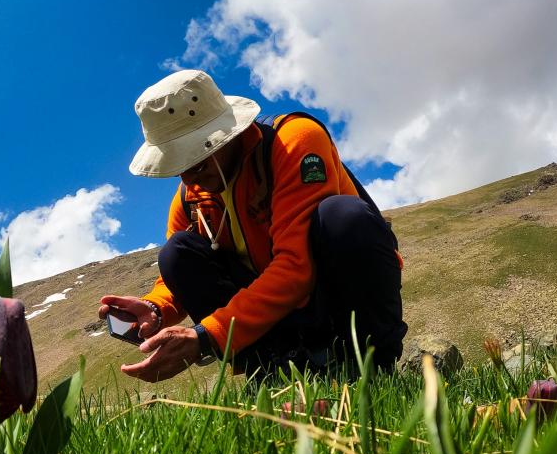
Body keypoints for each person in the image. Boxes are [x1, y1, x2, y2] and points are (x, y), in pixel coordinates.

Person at [98, 69, 407, 382]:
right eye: (178, 168)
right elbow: (175, 278)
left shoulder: (294, 140)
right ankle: (271, 373)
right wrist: (155, 308)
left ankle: (369, 367)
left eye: (197, 163)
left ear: (227, 136)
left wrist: (207, 337)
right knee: (177, 252)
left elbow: (295, 267)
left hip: (333, 295)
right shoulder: (190, 198)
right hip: (275, 311)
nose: (189, 180)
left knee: (343, 217)